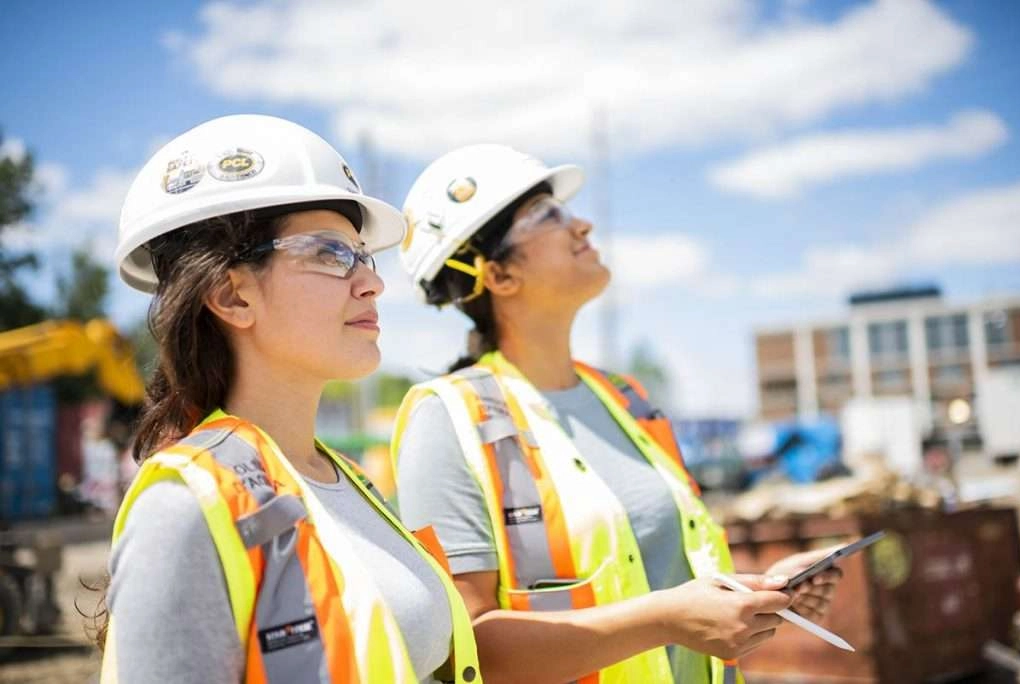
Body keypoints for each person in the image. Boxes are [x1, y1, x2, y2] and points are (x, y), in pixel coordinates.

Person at [392, 144, 841, 684]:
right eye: (547, 215)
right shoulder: (448, 420)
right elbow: (460, 652)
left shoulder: (625, 399)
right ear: (499, 275)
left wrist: (758, 592)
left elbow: (656, 576)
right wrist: (666, 620)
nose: (581, 225)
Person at [100, 115, 480, 684]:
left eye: (362, 253)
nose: (371, 282)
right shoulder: (184, 508)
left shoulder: (346, 482)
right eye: (330, 253)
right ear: (231, 295)